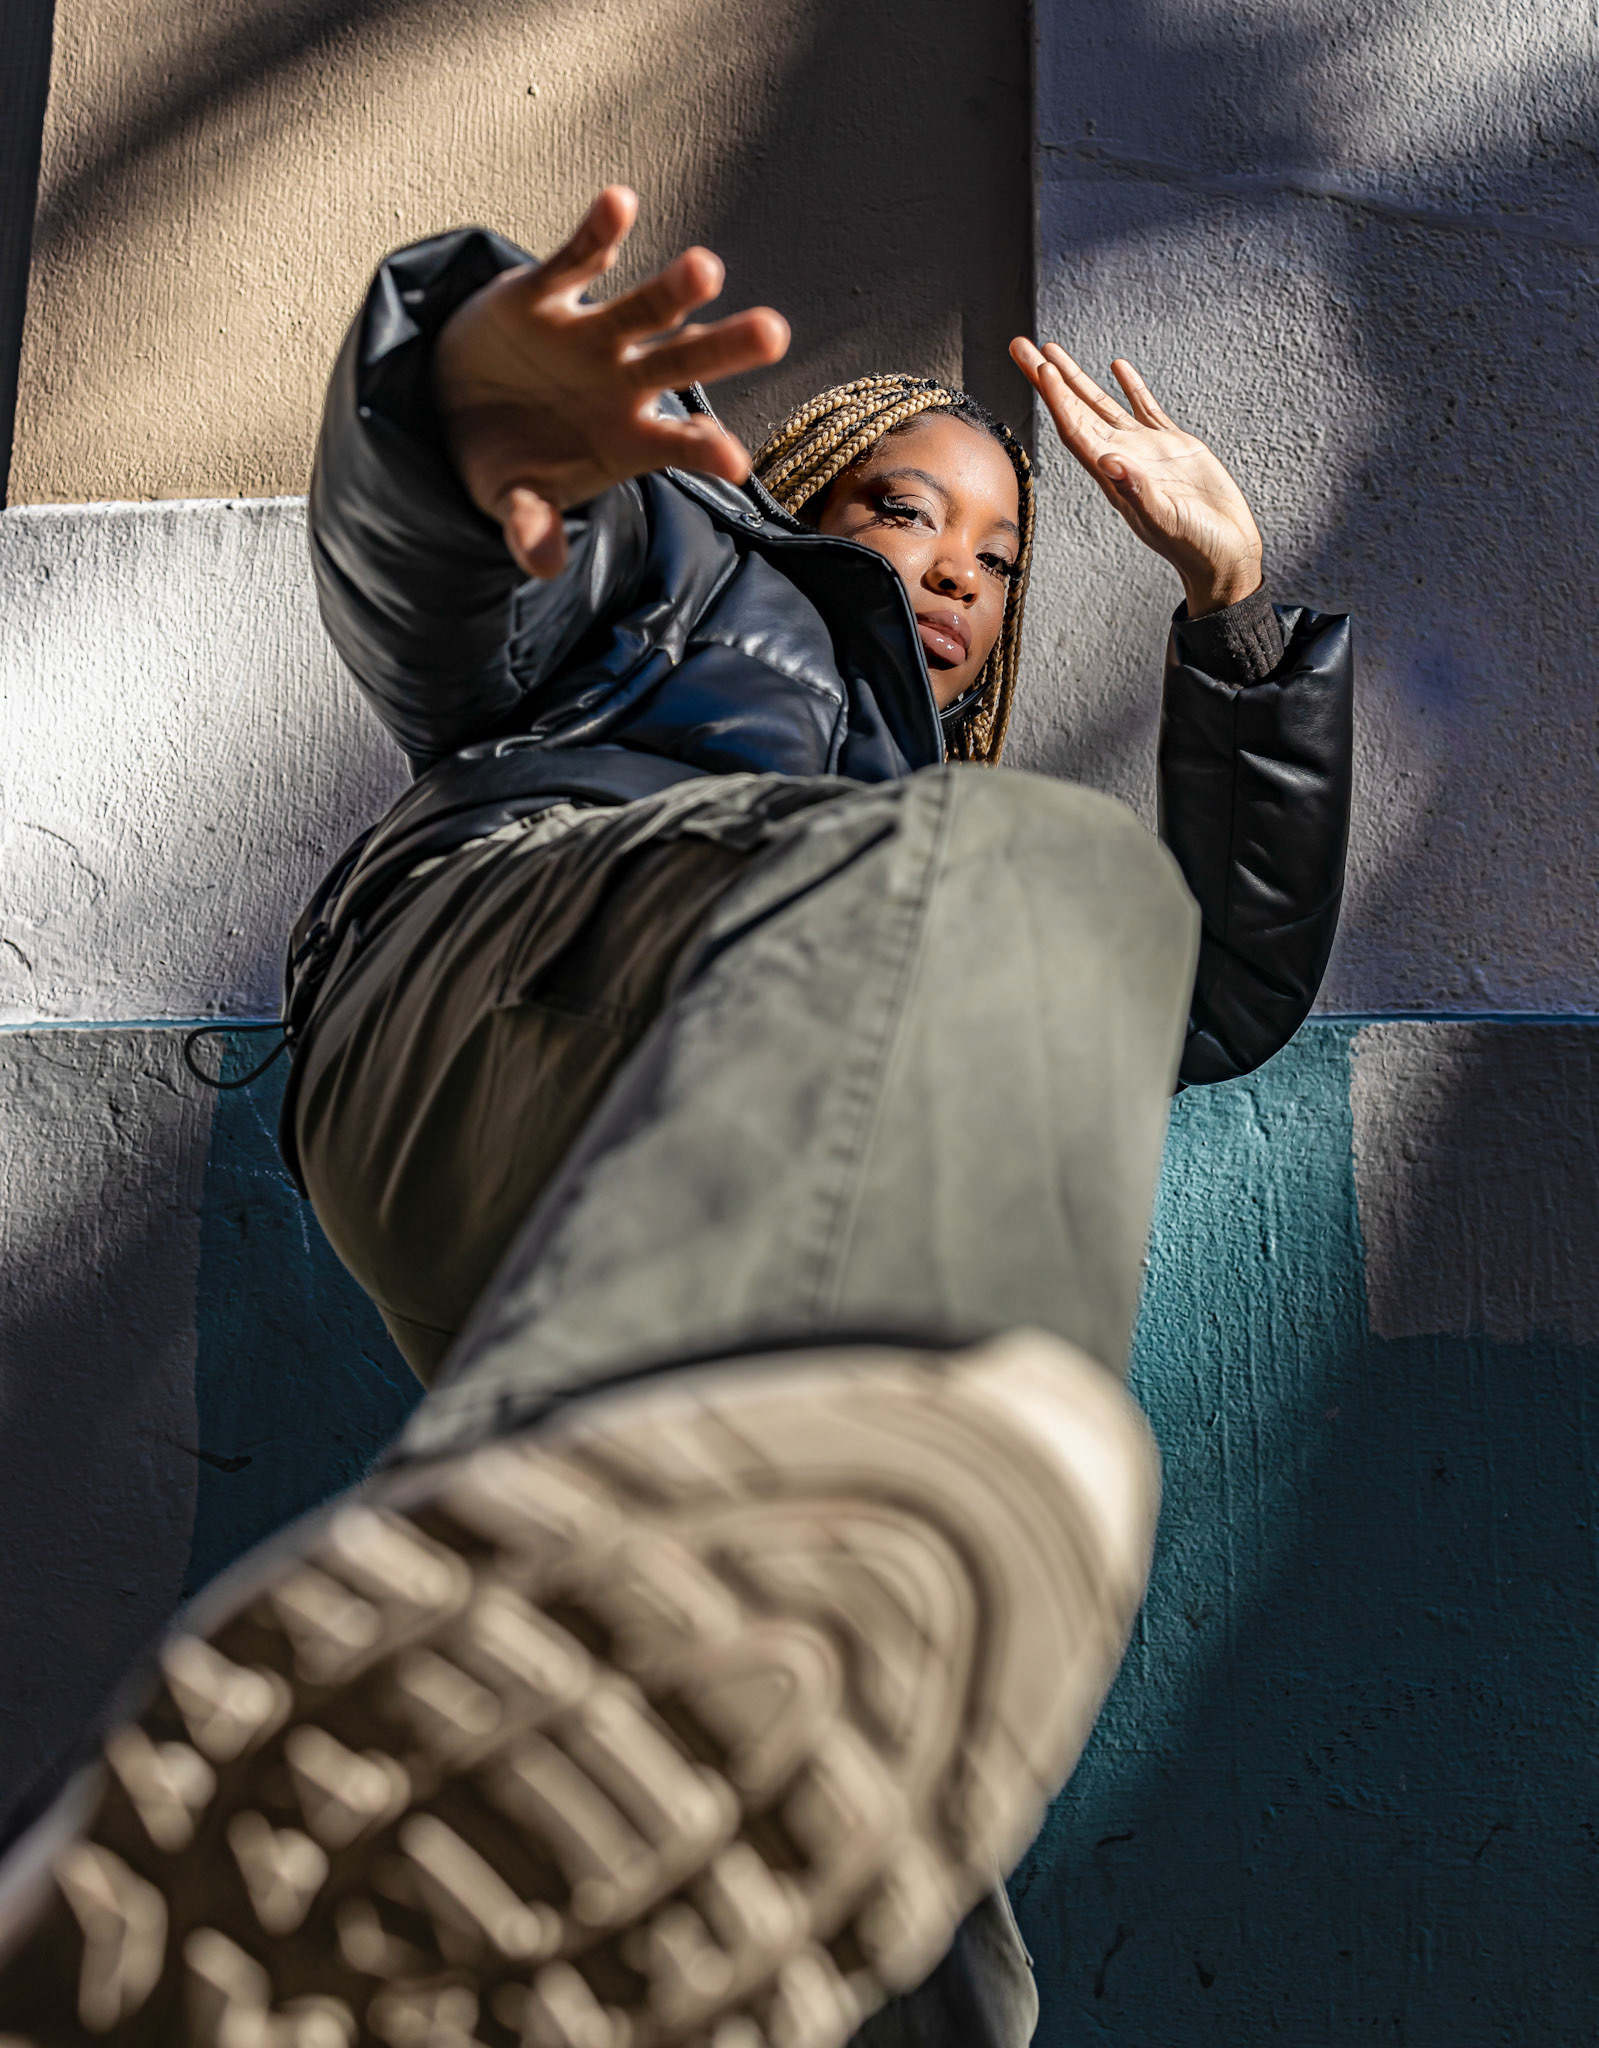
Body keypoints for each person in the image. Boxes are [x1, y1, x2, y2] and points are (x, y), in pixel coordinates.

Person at [0, 188, 1351, 2048]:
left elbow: (1210, 998)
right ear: (804, 499)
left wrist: (1230, 603)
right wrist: (467, 399)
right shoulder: (687, 572)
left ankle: (230, 1912)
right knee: (1028, 876)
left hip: (618, 1197)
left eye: (1003, 556)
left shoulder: (919, 853)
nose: (958, 571)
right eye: (906, 510)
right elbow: (456, 575)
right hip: (508, 986)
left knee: (896, 1923)